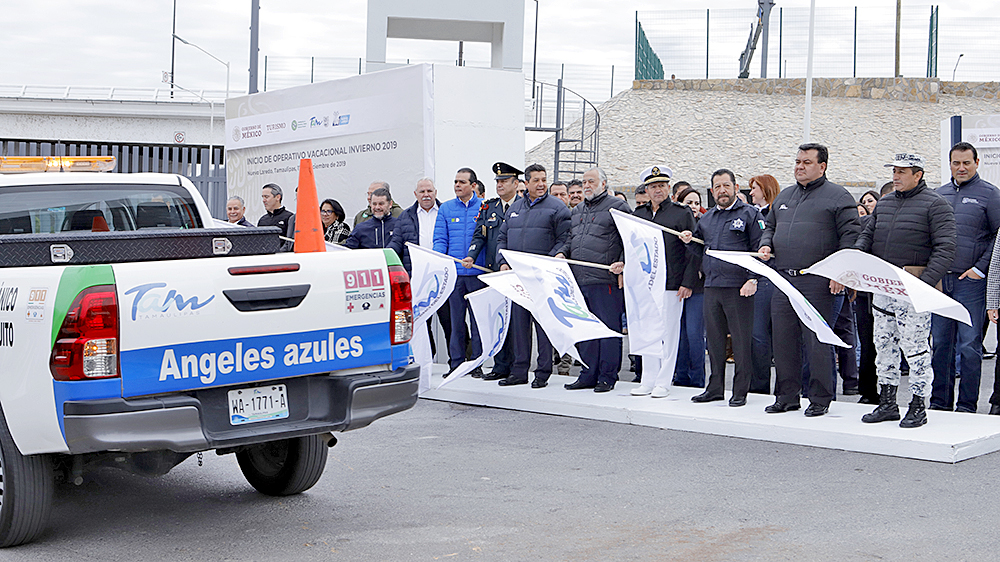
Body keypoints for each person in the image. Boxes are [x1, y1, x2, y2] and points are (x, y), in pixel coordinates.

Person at [758, 143, 861, 417]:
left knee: (817, 342)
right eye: (797, 162)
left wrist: (840, 272)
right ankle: (787, 396)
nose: (800, 167)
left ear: (822, 166)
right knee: (784, 341)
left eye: (806, 162)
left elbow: (851, 237)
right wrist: (766, 244)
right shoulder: (785, 196)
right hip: (784, 279)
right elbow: (770, 226)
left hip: (818, 281)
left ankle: (820, 398)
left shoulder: (838, 196)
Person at [856, 153, 956, 428]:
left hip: (913, 288)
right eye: (894, 171)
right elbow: (868, 235)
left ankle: (918, 404)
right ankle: (887, 403)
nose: (895, 176)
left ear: (918, 175)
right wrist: (857, 256)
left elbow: (946, 248)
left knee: (915, 348)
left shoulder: (936, 204)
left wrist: (924, 284)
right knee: (883, 344)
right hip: (883, 286)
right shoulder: (885, 203)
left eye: (902, 171)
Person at [680, 169, 764, 407]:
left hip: (738, 288)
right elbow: (700, 248)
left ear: (736, 188)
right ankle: (715, 388)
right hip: (712, 286)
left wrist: (753, 279)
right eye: (717, 187)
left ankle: (740, 390)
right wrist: (689, 241)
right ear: (712, 191)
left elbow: (759, 249)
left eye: (726, 185)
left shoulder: (750, 214)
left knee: (740, 342)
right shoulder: (707, 218)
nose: (722, 191)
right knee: (714, 342)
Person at [931, 142, 1000, 413]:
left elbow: (999, 238)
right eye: (956, 163)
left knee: (969, 345)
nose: (961, 168)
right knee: (940, 344)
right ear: (949, 164)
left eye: (966, 163)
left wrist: (980, 269)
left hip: (971, 283)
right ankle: (939, 402)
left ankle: (967, 406)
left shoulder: (990, 195)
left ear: (977, 163)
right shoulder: (939, 195)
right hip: (941, 282)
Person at [496, 163, 572, 388]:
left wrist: (549, 260)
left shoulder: (557, 207)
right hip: (518, 279)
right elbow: (502, 238)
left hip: (542, 277)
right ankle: (519, 371)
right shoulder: (514, 208)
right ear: (526, 183)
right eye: (536, 180)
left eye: (544, 179)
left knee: (543, 326)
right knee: (519, 327)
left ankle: (543, 372)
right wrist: (502, 262)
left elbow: (565, 239)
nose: (541, 184)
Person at [557, 167, 631, 393]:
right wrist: (562, 252)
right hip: (580, 279)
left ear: (604, 184)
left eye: (591, 181)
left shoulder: (617, 207)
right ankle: (588, 374)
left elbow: (630, 238)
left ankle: (607, 376)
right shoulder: (578, 210)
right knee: (586, 330)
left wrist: (622, 261)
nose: (586, 185)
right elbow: (572, 238)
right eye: (584, 182)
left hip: (604, 279)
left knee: (607, 330)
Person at [630, 165, 698, 398]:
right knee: (648, 331)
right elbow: (631, 244)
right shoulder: (639, 214)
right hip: (646, 284)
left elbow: (693, 250)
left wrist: (687, 282)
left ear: (668, 188)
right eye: (653, 187)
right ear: (646, 190)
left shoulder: (681, 213)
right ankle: (648, 379)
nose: (657, 190)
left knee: (668, 334)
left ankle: (664, 381)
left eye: (661, 186)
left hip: (672, 283)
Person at [465, 162, 522, 381]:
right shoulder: (489, 207)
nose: (500, 185)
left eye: (504, 181)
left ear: (515, 184)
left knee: (516, 324)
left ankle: (518, 367)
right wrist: (471, 255)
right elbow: (479, 235)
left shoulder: (523, 206)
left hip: (515, 273)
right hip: (493, 272)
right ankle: (500, 366)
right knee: (497, 320)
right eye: (498, 181)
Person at [434, 168, 487, 377]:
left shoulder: (484, 207)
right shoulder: (446, 208)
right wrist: (440, 260)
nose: (457, 185)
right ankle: (456, 364)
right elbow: (440, 239)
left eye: (462, 182)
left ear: (473, 185)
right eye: (456, 181)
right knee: (456, 322)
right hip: (455, 275)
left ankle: (476, 364)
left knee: (477, 322)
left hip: (477, 274)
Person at [405, 178, 452, 361]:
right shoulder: (406, 216)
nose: (426, 195)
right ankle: (427, 360)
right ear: (415, 194)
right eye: (422, 192)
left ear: (435, 192)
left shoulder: (446, 211)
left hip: (442, 275)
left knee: (450, 322)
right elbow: (398, 243)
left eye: (429, 191)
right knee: (423, 322)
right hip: (419, 277)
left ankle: (458, 361)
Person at [748, 174, 780, 395]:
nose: (751, 193)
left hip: (771, 278)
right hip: (756, 278)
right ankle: (759, 387)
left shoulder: (775, 215)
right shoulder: (752, 214)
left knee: (774, 336)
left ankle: (783, 389)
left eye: (755, 188)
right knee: (757, 336)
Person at [673, 184, 708, 388]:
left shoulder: (703, 225)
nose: (693, 206)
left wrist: (688, 283)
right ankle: (681, 376)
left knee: (694, 334)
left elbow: (696, 258)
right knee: (680, 335)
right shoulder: (677, 223)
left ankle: (697, 379)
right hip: (677, 286)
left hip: (698, 288)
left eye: (697, 203)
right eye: (689, 202)